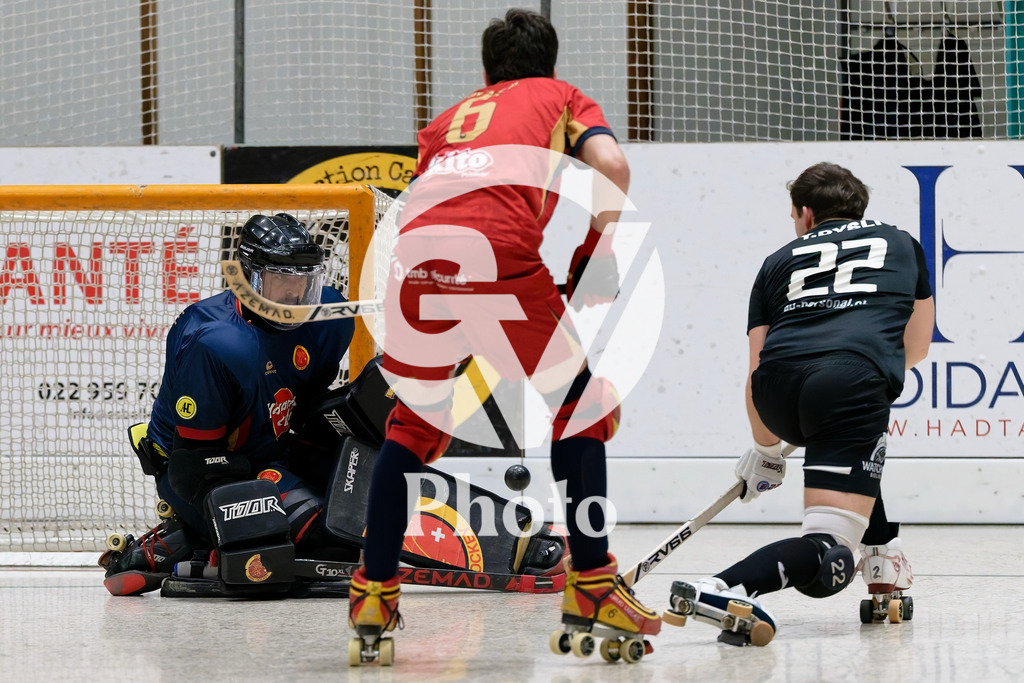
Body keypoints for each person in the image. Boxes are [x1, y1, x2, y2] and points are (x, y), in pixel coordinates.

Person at [347, 8, 661, 666]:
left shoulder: (445, 122)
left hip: (416, 257)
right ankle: (595, 581)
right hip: (497, 252)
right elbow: (613, 164)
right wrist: (594, 255)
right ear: (548, 64)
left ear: (487, 71)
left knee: (412, 423)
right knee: (580, 406)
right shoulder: (560, 96)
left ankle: (372, 591)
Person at [665, 162, 934, 645]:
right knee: (830, 555)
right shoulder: (903, 243)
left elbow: (755, 372)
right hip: (849, 383)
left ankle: (881, 552)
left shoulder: (776, 260)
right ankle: (724, 587)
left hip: (777, 391)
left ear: (806, 214)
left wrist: (766, 449)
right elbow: (916, 348)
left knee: (850, 459)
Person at [100, 212, 360, 596]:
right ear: (249, 279)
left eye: (303, 282)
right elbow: (194, 465)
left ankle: (199, 539)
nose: (293, 296)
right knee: (328, 539)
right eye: (281, 281)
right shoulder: (214, 340)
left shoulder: (329, 317)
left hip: (271, 454)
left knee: (359, 515)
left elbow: (305, 408)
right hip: (200, 471)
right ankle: (187, 538)